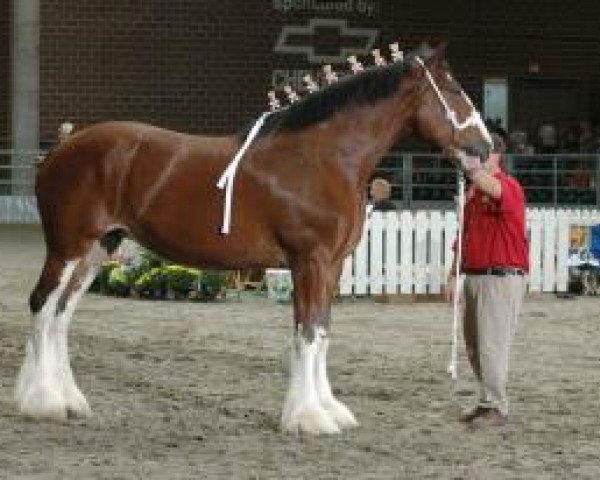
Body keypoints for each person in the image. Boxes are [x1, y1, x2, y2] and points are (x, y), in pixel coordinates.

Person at [445, 133, 529, 427]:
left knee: (492, 344)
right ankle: (487, 401)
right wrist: (454, 274)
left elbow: (492, 186)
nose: (476, 158)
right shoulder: (473, 194)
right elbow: (463, 236)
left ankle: (496, 405)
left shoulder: (508, 186)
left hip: (500, 277)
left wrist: (471, 169)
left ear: (495, 156)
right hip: (477, 275)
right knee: (475, 344)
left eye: (481, 153)